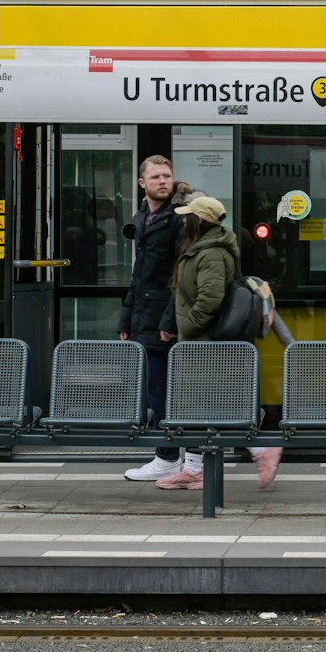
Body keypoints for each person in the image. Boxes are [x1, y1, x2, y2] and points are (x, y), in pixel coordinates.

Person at [153, 194, 283, 492]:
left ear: (200, 221)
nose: (183, 220)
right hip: (199, 341)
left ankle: (261, 450)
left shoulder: (211, 253)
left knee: (210, 406)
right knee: (201, 407)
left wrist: (186, 326)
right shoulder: (201, 248)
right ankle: (195, 469)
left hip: (207, 343)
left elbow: (210, 299)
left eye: (188, 216)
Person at [118, 156, 188, 483]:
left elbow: (181, 275)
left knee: (163, 390)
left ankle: (168, 456)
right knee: (154, 389)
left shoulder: (177, 220)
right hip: (144, 315)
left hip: (163, 318)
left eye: (167, 175)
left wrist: (169, 322)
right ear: (142, 183)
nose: (163, 180)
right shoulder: (143, 218)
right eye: (156, 176)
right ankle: (168, 455)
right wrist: (126, 319)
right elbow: (139, 275)